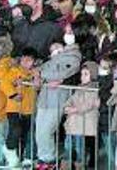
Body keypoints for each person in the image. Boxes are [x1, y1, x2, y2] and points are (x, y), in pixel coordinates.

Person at [34, 38, 82, 169]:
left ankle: (49, 159)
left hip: (57, 100)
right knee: (39, 132)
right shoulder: (50, 61)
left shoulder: (73, 58)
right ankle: (43, 158)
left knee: (47, 130)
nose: (55, 50)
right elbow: (38, 70)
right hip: (44, 100)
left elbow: (64, 73)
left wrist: (43, 74)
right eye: (52, 49)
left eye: (57, 47)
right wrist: (38, 75)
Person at [0, 48, 39, 167]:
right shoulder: (14, 71)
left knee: (28, 134)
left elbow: (38, 87)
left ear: (34, 62)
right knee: (15, 130)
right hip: (14, 107)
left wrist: (37, 78)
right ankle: (9, 149)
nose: (26, 62)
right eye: (24, 59)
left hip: (29, 108)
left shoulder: (35, 73)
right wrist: (13, 94)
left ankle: (24, 159)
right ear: (20, 59)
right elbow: (4, 83)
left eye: (30, 60)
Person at [63, 61, 100, 168]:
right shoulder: (79, 88)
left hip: (82, 124)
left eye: (86, 74)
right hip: (73, 122)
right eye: (82, 74)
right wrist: (67, 106)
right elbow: (71, 99)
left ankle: (80, 164)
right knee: (68, 145)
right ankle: (66, 163)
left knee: (79, 146)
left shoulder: (94, 89)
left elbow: (89, 104)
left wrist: (75, 109)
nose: (82, 77)